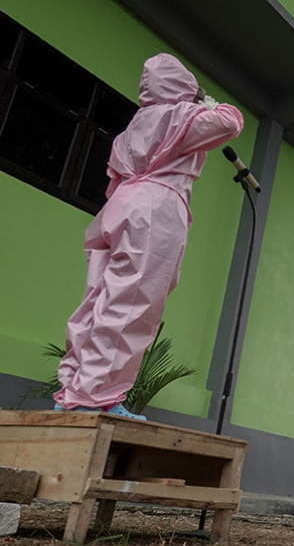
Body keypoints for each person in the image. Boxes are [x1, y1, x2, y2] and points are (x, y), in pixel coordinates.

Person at [54, 53, 243, 421]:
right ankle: (98, 396)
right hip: (155, 207)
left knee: (98, 297)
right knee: (134, 300)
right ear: (184, 87)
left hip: (118, 206)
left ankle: (72, 389)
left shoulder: (132, 127)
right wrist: (205, 100)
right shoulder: (179, 116)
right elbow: (230, 121)